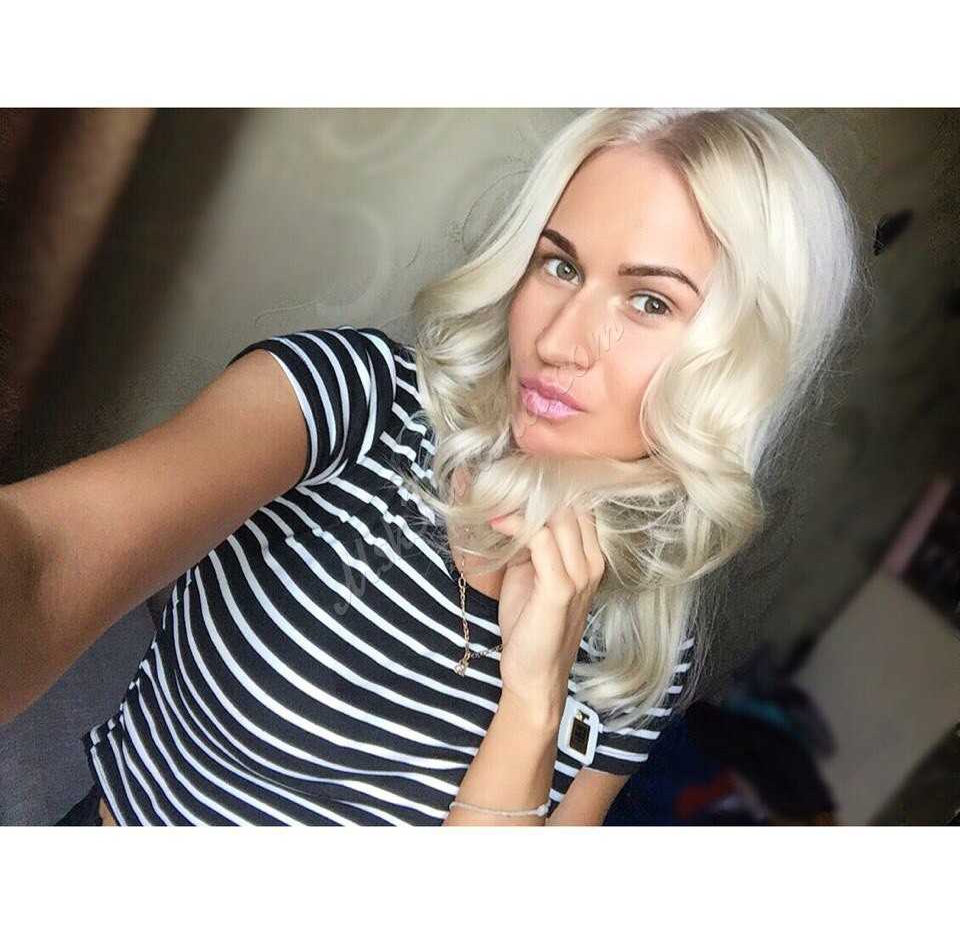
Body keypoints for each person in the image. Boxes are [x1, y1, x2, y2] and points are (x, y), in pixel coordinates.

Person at [0, 107, 864, 825]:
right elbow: (43, 561)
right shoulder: (356, 404)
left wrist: (533, 701)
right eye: (560, 264)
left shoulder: (644, 643)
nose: (559, 341)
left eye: (648, 301)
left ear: (742, 359)